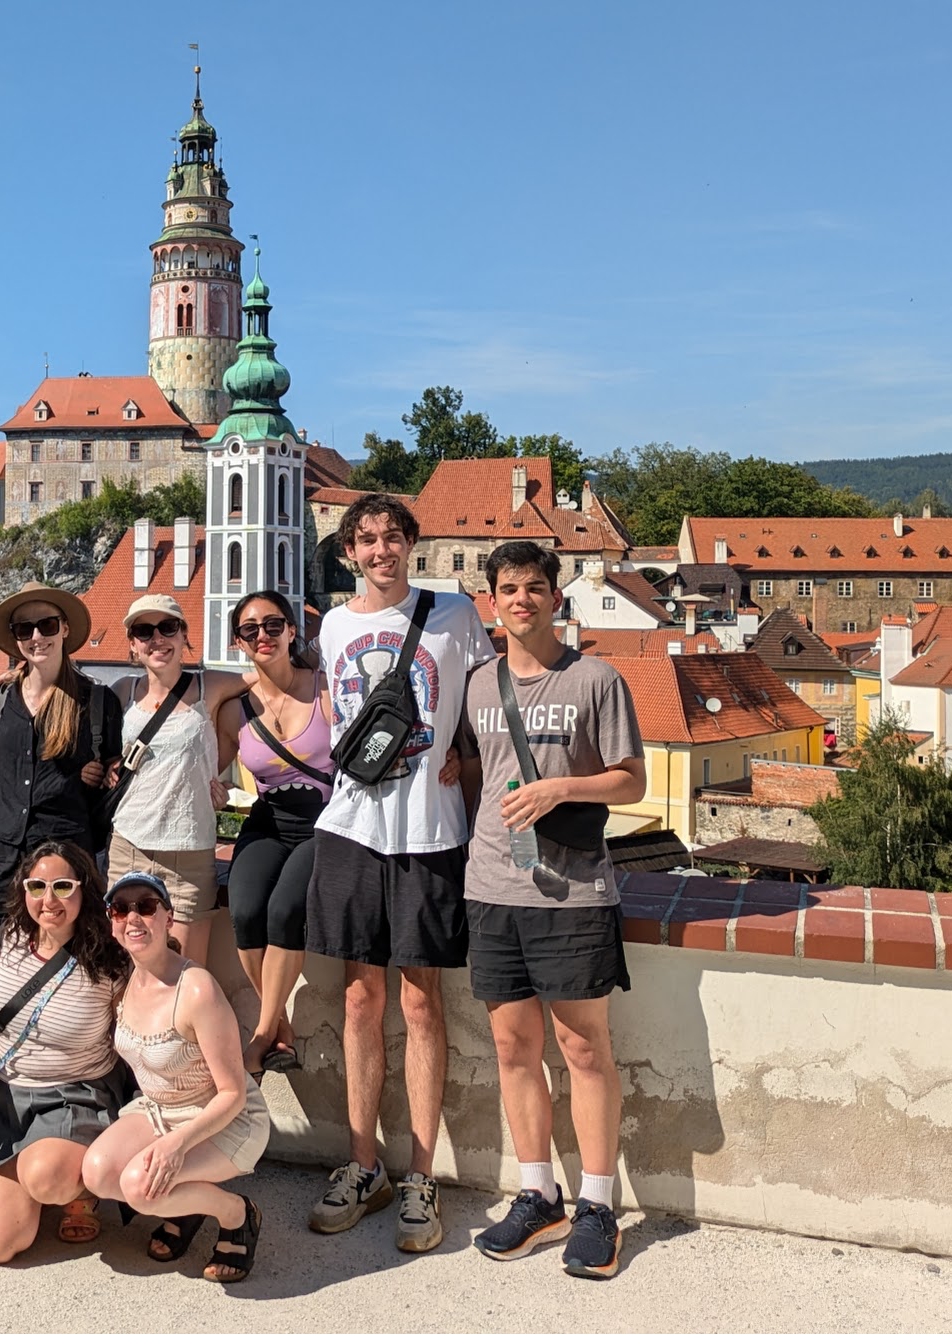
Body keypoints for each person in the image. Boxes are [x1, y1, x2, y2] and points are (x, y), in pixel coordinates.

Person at [304, 493, 495, 1254]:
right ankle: (362, 1164)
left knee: (421, 1003)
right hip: (353, 826)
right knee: (358, 999)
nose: (381, 550)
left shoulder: (454, 615)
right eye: (367, 540)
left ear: (412, 544)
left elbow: (490, 704)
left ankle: (419, 1176)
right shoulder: (334, 625)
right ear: (349, 551)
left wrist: (469, 758)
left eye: (392, 537)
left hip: (429, 828)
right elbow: (326, 699)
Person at [463, 540, 646, 1280]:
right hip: (491, 886)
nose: (521, 600)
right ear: (493, 599)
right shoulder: (479, 684)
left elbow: (631, 782)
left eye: (535, 587)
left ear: (555, 596)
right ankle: (538, 1193)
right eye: (508, 588)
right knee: (512, 1049)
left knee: (581, 1050)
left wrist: (560, 789)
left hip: (573, 891)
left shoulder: (597, 678)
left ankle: (599, 1206)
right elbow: (476, 773)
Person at [82, 872, 270, 1282]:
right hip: (159, 1110)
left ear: (168, 917)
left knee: (139, 1187)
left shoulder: (195, 988)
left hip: (224, 1118)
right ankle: (184, 1204)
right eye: (121, 908)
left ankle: (236, 1213)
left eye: (147, 906)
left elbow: (233, 1093)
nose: (134, 917)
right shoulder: (125, 980)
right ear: (111, 922)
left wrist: (176, 1146)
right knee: (97, 1171)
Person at [0, 840, 133, 1263]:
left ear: (83, 890)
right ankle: (33, 1173)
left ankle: (73, 1186)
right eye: (36, 886)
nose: (49, 899)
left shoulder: (110, 961)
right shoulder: (7, 936)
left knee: (45, 1177)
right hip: (6, 1096)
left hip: (72, 1094)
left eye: (62, 886)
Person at [215, 589, 332, 1074]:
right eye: (249, 630)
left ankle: (262, 1035)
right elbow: (208, 767)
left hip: (322, 822)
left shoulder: (324, 689)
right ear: (238, 643)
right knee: (244, 909)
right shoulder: (232, 709)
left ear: (290, 630)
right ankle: (278, 1023)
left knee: (286, 909)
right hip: (269, 820)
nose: (262, 635)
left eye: (272, 625)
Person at [108, 593, 247, 964]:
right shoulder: (123, 691)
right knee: (126, 963)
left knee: (186, 966)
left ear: (185, 635)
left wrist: (214, 767)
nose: (157, 639)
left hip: (188, 849)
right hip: (128, 844)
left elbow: (272, 676)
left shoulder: (210, 686)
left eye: (168, 627)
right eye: (144, 631)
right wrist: (18, 673)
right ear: (133, 644)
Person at [0, 582, 123, 932]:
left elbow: (113, 772)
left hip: (63, 857)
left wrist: (103, 772)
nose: (37, 635)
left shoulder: (97, 702)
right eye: (24, 628)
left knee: (59, 959)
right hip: (1, 857)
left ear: (65, 629)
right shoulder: (2, 696)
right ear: (15, 639)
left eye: (48, 625)